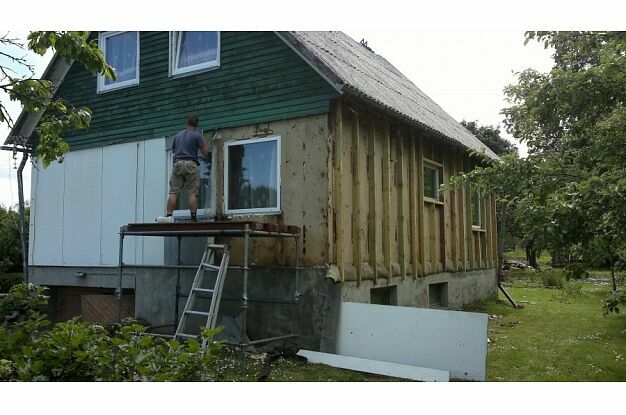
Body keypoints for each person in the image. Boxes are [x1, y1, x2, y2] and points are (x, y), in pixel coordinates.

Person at [166, 116, 209, 222]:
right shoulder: (197, 135)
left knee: (173, 192)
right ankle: (193, 218)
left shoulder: (178, 135)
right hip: (191, 163)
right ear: (196, 124)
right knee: (192, 193)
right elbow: (205, 152)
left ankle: (168, 217)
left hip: (178, 163)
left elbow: (174, 150)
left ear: (187, 123)